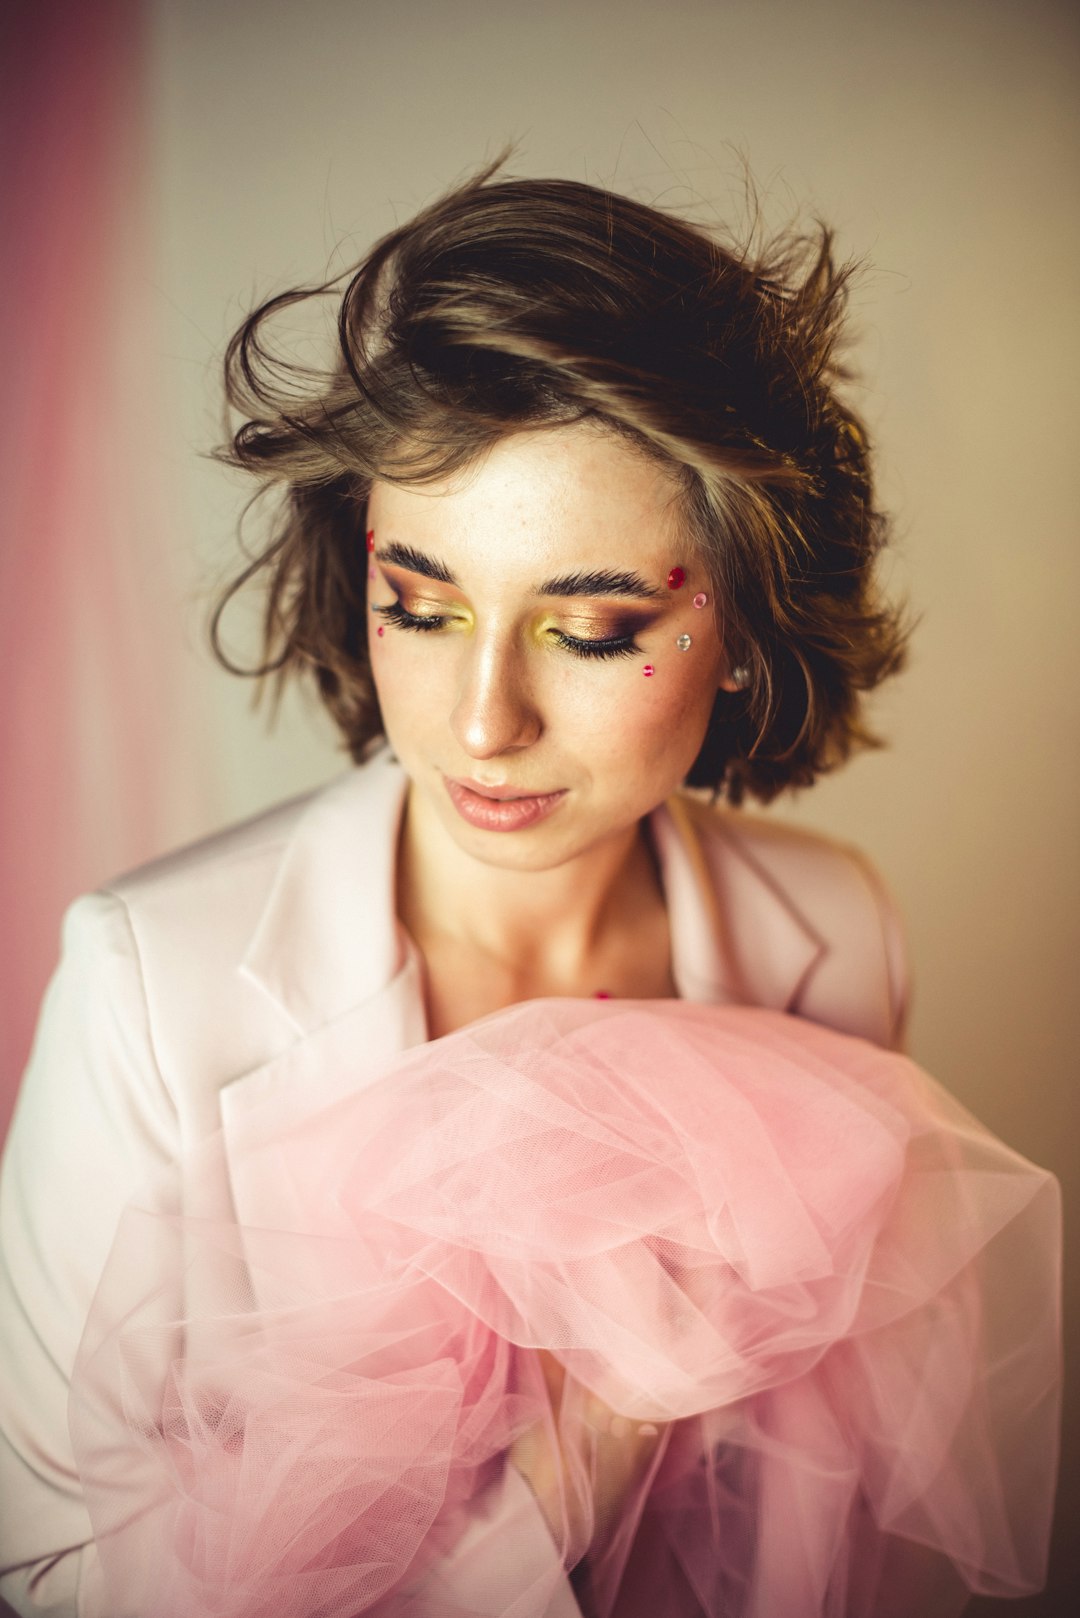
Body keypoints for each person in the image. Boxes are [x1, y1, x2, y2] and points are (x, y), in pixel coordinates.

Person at [0, 164, 1059, 1618]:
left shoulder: (831, 941)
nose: (481, 717)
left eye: (596, 627)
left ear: (740, 628)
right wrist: (565, 1479)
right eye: (422, 607)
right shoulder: (147, 987)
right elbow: (48, 1575)